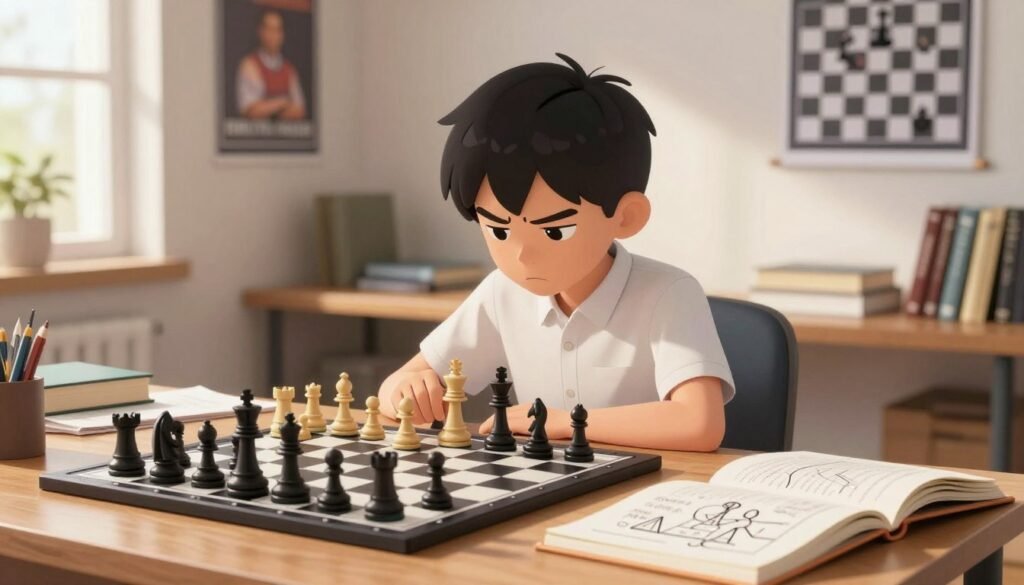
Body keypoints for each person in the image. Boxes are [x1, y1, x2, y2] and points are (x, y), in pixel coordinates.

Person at [376, 54, 734, 451]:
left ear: (626, 216)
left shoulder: (669, 293)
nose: (522, 255)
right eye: (498, 229)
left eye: (555, 230)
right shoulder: (502, 291)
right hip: (547, 480)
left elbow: (700, 424)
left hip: (651, 483)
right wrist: (405, 388)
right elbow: (398, 385)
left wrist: (564, 423)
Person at [235, 10, 306, 120]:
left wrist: (268, 108)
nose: (273, 35)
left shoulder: (289, 69)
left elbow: (299, 111)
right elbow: (252, 111)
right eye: (269, 29)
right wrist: (282, 103)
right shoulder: (250, 65)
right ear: (261, 32)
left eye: (277, 30)